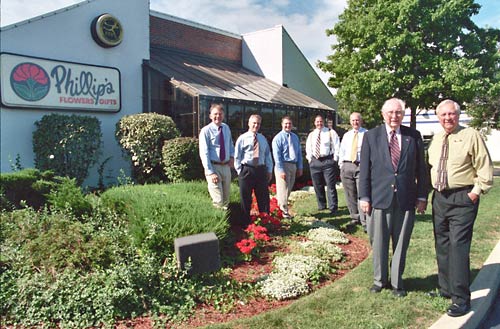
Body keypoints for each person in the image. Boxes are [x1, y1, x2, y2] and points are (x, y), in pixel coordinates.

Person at [427, 99, 493, 317]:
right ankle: (446, 289)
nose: (448, 118)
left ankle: (461, 299)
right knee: (442, 245)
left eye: (452, 114)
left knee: (458, 247)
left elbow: (484, 165)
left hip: (462, 198)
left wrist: (475, 192)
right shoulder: (436, 138)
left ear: (458, 115)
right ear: (438, 117)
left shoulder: (471, 135)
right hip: (440, 198)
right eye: (443, 115)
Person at [359, 98, 428, 297]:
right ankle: (379, 281)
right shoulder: (371, 136)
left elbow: (421, 170)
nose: (394, 116)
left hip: (405, 199)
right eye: (390, 112)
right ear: (383, 114)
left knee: (400, 243)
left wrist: (422, 196)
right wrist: (364, 196)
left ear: (403, 114)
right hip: (379, 198)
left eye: (398, 112)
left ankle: (398, 283)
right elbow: (364, 171)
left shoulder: (413, 136)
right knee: (378, 242)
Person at [234, 114, 273, 227]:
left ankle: (265, 223)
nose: (256, 125)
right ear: (249, 123)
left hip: (260, 170)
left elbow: (267, 155)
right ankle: (245, 225)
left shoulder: (262, 138)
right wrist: (240, 171)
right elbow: (237, 156)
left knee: (263, 198)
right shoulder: (242, 138)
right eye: (254, 123)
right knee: (245, 198)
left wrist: (269, 170)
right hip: (247, 170)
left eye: (258, 123)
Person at [199, 104, 234, 209]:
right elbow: (204, 152)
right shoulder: (206, 131)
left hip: (226, 167)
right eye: (215, 114)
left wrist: (232, 157)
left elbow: (230, 145)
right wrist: (210, 172)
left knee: (226, 201)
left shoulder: (226, 128)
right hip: (214, 168)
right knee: (218, 201)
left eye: (220, 114)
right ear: (210, 116)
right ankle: (218, 223)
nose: (217, 116)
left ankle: (225, 224)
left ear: (223, 115)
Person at [306, 115, 340, 215]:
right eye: (317, 122)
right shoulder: (312, 134)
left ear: (323, 122)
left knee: (330, 185)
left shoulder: (330, 132)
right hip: (315, 161)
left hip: (327, 161)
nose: (319, 123)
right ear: (314, 123)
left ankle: (333, 207)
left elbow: (337, 146)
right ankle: (321, 205)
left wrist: (335, 159)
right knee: (317, 185)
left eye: (321, 121)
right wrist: (310, 159)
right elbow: (308, 148)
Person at [339, 112, 367, 230]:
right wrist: (341, 165)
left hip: (361, 165)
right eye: (353, 120)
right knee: (350, 193)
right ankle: (355, 218)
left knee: (362, 193)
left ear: (361, 121)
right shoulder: (347, 135)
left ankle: (365, 221)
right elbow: (342, 150)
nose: (355, 122)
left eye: (357, 120)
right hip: (347, 165)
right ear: (350, 122)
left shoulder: (367, 134)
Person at [272, 116, 303, 218]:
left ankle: (280, 208)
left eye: (289, 123)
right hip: (282, 165)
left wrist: (300, 167)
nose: (288, 125)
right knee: (283, 189)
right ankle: (283, 212)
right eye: (286, 123)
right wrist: (281, 170)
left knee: (288, 189)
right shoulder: (278, 138)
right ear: (282, 124)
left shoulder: (295, 137)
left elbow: (298, 153)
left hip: (293, 165)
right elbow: (277, 156)